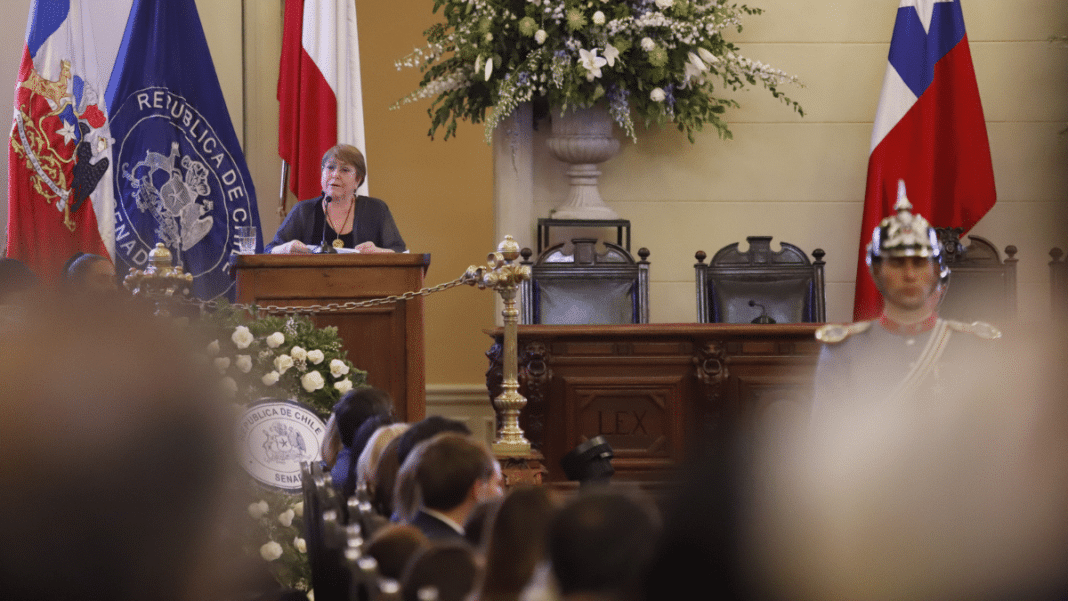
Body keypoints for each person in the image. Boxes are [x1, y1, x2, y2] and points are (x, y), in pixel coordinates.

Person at [810, 181, 1001, 423]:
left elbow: (992, 443)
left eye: (920, 263)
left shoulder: (972, 347)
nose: (910, 275)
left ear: (936, 271)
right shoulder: (843, 351)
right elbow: (826, 445)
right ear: (876, 271)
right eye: (898, 263)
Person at [265, 144, 405, 254]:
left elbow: (399, 251)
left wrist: (378, 252)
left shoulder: (376, 209)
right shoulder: (303, 210)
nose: (335, 174)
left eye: (344, 170)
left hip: (363, 286)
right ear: (322, 175)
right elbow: (270, 250)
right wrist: (286, 248)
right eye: (330, 168)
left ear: (357, 180)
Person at [405, 433, 504, 541]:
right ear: (478, 489)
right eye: (497, 484)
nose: (501, 493)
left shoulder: (402, 533)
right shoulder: (456, 551)